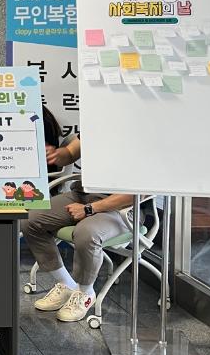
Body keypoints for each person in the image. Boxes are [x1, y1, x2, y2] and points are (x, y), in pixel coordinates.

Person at [21, 136, 134, 322]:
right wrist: (57, 155)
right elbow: (70, 153)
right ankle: (65, 283)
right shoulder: (96, 124)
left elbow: (135, 195)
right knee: (31, 220)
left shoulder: (141, 135)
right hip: (82, 195)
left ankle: (85, 292)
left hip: (122, 208)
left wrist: (89, 209)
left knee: (86, 232)